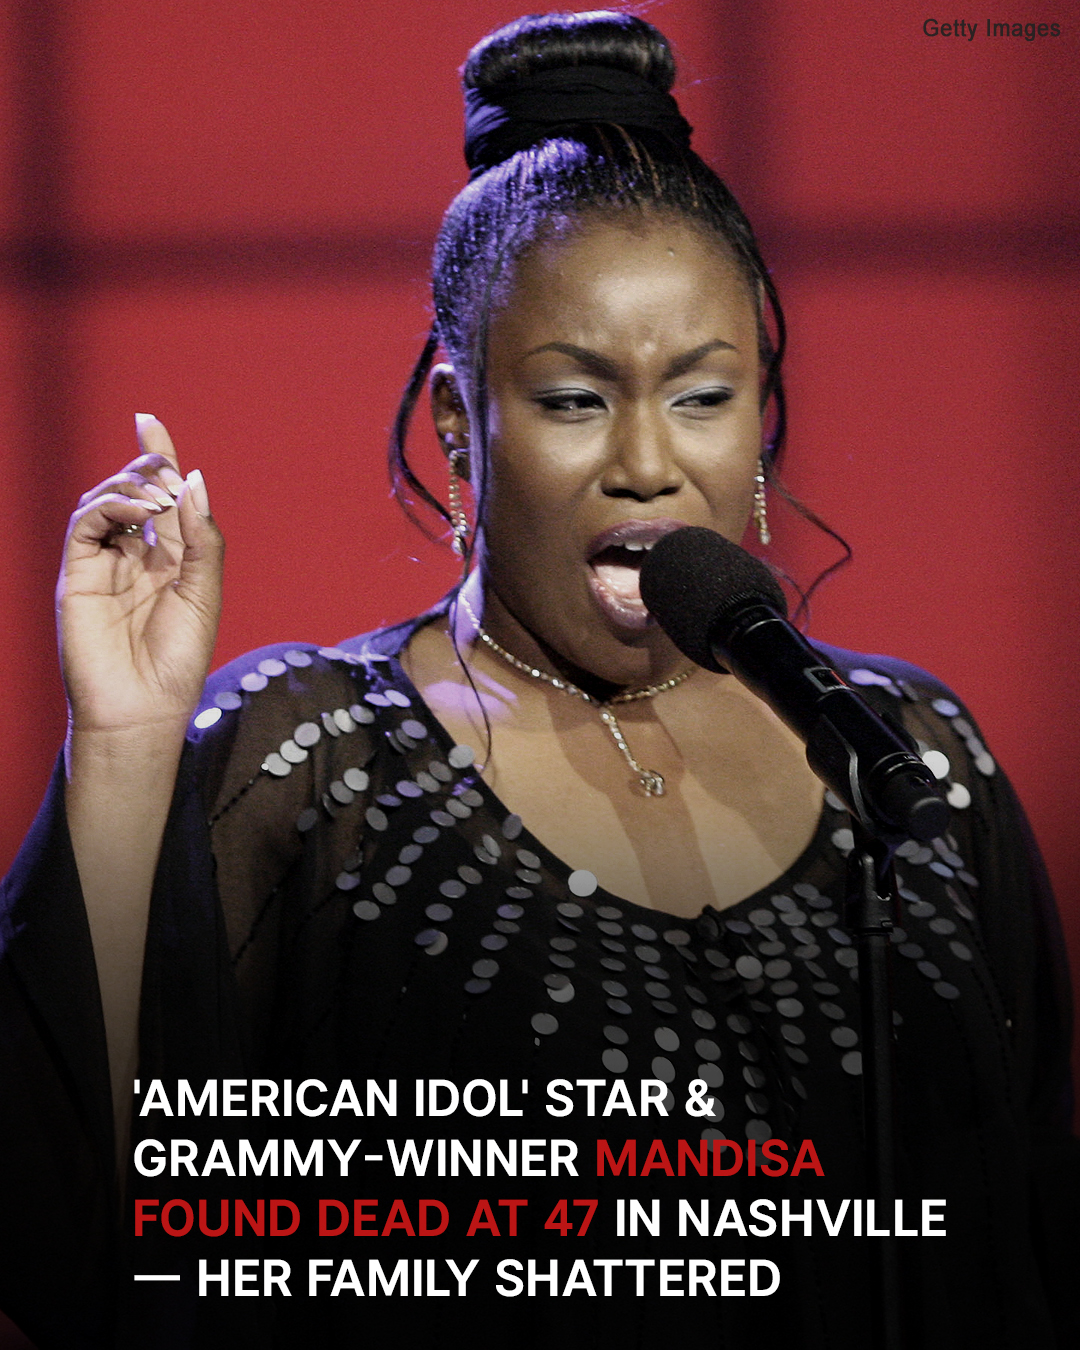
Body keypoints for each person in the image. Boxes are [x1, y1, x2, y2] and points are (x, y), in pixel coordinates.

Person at [1, 10, 1075, 1349]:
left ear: (760, 416)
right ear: (462, 426)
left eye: (702, 395)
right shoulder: (317, 763)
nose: (648, 462)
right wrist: (123, 746)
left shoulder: (906, 757)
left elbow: (1031, 1225)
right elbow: (83, 1220)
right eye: (576, 399)